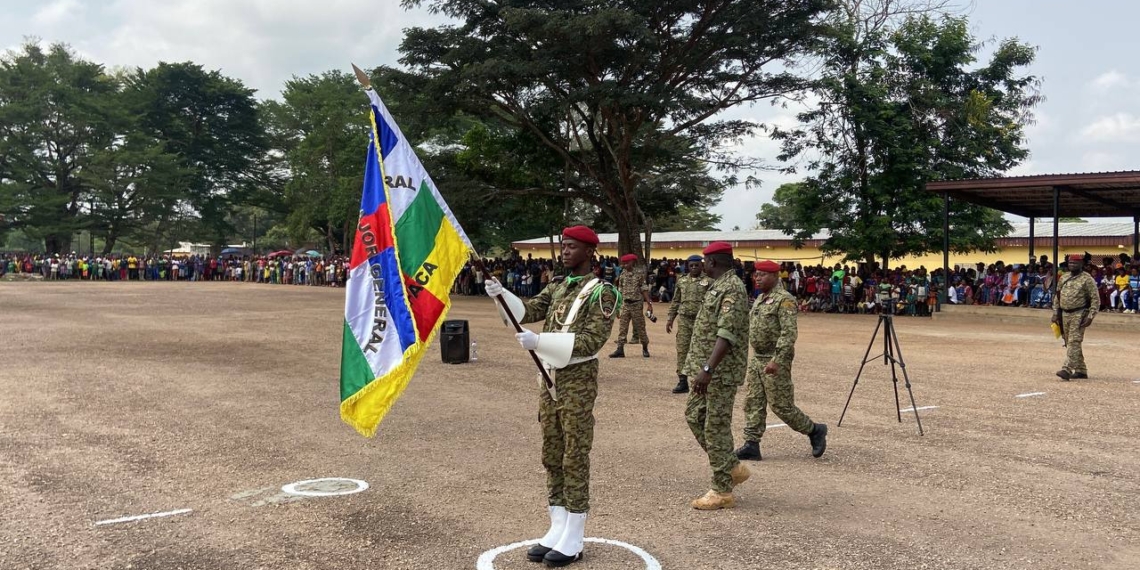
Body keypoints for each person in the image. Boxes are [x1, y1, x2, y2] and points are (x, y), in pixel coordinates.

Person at [485, 225, 620, 567]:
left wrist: (540, 343)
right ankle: (557, 525)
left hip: (576, 383)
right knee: (552, 451)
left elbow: (592, 341)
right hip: (549, 380)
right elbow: (528, 312)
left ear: (590, 252)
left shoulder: (602, 293)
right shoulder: (559, 286)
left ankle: (574, 533)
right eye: (564, 246)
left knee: (574, 454)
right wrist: (502, 295)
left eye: (572, 247)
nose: (565, 252)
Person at [735, 260, 827, 462]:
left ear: (775, 276)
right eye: (756, 274)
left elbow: (788, 334)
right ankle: (752, 444)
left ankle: (814, 430)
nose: (757, 278)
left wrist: (777, 360)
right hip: (757, 358)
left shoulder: (784, 300)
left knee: (781, 406)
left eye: (762, 275)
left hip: (775, 360)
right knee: (753, 402)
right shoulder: (760, 299)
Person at [683, 241, 751, 510]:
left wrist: (707, 369)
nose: (703, 265)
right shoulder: (718, 286)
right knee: (694, 415)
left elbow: (726, 335)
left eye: (705, 261)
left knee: (716, 427)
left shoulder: (731, 288)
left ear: (712, 262)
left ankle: (722, 490)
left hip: (719, 373)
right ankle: (731, 467)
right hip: (708, 371)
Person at [1051, 253, 1099, 381]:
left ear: (1081, 264)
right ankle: (1081, 370)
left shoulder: (1087, 279)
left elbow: (1095, 299)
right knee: (1069, 342)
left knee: (1074, 341)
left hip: (1080, 314)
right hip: (1064, 314)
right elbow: (1058, 295)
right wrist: (1055, 312)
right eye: (1070, 263)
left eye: (1075, 263)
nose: (1072, 265)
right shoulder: (1064, 277)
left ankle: (1066, 369)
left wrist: (1090, 316)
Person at [666, 255, 710, 394]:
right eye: (691, 265)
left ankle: (702, 380)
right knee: (682, 349)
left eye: (696, 265)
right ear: (687, 266)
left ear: (702, 266)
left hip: (702, 320)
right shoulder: (682, 281)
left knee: (702, 350)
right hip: (684, 320)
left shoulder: (709, 281)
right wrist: (670, 318)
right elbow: (676, 300)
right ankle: (682, 380)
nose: (694, 268)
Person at [609, 253, 652, 358]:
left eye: (627, 263)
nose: (625, 265)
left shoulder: (639, 274)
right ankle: (620, 349)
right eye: (624, 263)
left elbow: (644, 288)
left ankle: (645, 348)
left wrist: (649, 303)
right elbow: (620, 290)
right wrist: (618, 306)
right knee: (622, 328)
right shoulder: (623, 274)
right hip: (625, 304)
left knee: (640, 327)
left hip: (636, 304)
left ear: (633, 262)